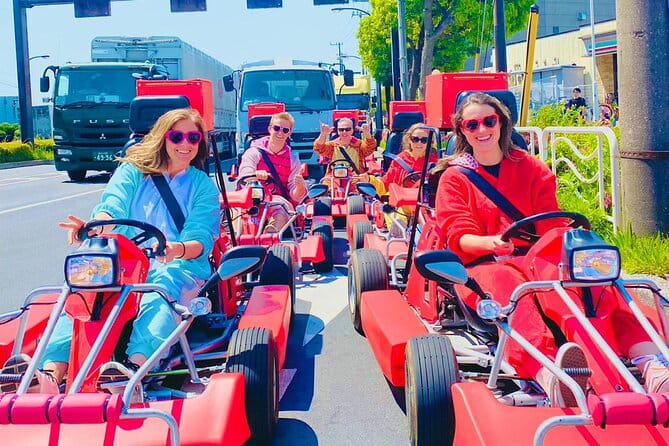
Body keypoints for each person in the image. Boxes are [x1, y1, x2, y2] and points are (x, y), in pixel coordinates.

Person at [435, 92, 669, 406]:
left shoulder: (529, 167)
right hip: (487, 261)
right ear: (462, 131)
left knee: (596, 281)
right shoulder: (455, 178)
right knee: (511, 289)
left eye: (489, 121)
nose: (482, 130)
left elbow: (551, 224)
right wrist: (492, 242)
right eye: (472, 124)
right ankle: (549, 375)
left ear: (501, 123)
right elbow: (458, 235)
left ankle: (651, 363)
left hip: (536, 256)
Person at [0, 108, 221, 396]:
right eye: (176, 136)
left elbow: (200, 237)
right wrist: (95, 227)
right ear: (163, 138)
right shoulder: (132, 171)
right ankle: (49, 376)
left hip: (179, 264)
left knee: (161, 290)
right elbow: (112, 206)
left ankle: (131, 372)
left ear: (200, 143)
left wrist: (174, 248)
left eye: (193, 137)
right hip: (124, 262)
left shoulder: (203, 186)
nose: (185, 144)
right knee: (83, 290)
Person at [238, 112, 307, 233]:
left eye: (285, 130)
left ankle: (271, 236)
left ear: (289, 133)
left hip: (275, 199)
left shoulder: (293, 159)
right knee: (232, 209)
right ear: (270, 129)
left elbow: (294, 194)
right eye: (276, 128)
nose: (280, 133)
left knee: (280, 207)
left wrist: (300, 187)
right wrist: (255, 175)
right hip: (250, 197)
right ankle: (233, 237)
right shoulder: (254, 152)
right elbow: (245, 173)